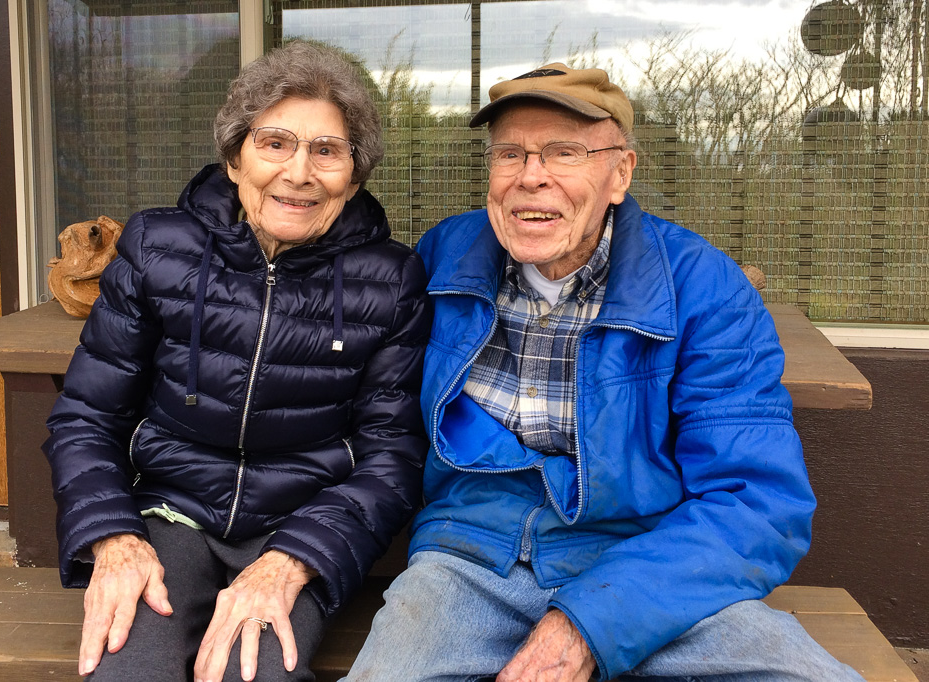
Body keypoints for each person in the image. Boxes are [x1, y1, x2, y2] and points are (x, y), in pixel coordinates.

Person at [345, 64, 864, 681]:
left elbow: (759, 502)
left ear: (620, 173)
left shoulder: (704, 288)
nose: (531, 176)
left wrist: (593, 622)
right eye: (511, 153)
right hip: (467, 557)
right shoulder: (442, 260)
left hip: (648, 566)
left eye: (565, 152)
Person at [42, 41, 430, 682]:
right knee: (126, 668)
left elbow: (392, 457)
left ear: (354, 176)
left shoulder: (391, 281)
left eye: (327, 151)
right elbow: (86, 417)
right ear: (233, 157)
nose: (299, 172)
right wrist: (114, 538)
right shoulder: (156, 247)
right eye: (274, 142)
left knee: (257, 673)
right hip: (168, 512)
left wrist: (295, 559)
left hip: (300, 524)